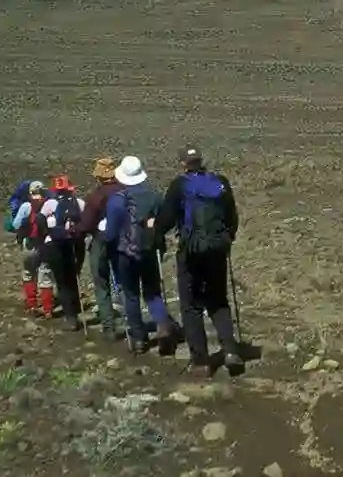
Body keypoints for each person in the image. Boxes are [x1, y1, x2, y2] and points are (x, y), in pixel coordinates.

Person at [156, 145, 244, 376]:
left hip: (191, 252)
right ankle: (231, 351)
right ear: (201, 161)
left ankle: (201, 361)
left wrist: (155, 236)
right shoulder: (221, 182)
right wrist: (226, 239)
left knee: (192, 305)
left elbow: (165, 219)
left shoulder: (179, 185)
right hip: (217, 250)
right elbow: (232, 216)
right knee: (218, 300)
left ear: (183, 163)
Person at [104, 155, 184, 356]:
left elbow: (111, 233)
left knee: (130, 295)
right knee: (152, 292)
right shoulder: (154, 196)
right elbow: (165, 221)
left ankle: (139, 339)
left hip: (124, 254)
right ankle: (163, 324)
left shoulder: (116, 201)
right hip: (149, 251)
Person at [77, 156, 123, 341]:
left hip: (101, 240)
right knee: (125, 282)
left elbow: (86, 224)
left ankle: (109, 327)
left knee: (101, 283)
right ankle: (133, 326)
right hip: (123, 239)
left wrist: (76, 232)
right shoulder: (124, 191)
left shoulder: (96, 196)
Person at [38, 174, 87, 331]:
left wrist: (46, 234)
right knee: (73, 277)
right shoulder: (79, 203)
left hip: (56, 245)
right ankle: (76, 308)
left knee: (62, 282)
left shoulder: (49, 204)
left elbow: (40, 220)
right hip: (76, 245)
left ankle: (70, 317)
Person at [11, 180, 55, 317]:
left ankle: (32, 305)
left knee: (28, 273)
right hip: (46, 244)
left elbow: (15, 225)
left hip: (29, 244)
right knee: (45, 275)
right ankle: (48, 309)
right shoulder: (49, 204)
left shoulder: (26, 206)